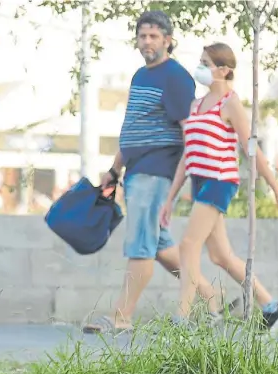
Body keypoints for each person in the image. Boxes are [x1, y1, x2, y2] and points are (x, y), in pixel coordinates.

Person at [83, 10, 237, 335]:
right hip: (135, 172)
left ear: (168, 40)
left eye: (154, 36)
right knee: (160, 247)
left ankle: (121, 317)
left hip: (157, 173)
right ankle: (213, 298)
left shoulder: (176, 77)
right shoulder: (141, 76)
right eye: (142, 35)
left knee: (141, 244)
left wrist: (189, 180)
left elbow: (189, 131)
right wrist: (114, 169)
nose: (147, 41)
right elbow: (133, 127)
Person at [159, 42, 278, 333]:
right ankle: (272, 307)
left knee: (188, 245)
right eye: (201, 61)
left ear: (224, 70)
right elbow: (188, 155)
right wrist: (169, 199)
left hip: (220, 181)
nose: (200, 68)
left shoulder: (230, 103)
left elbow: (251, 149)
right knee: (220, 256)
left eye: (206, 63)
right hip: (199, 182)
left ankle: (182, 318)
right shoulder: (196, 105)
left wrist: (277, 190)